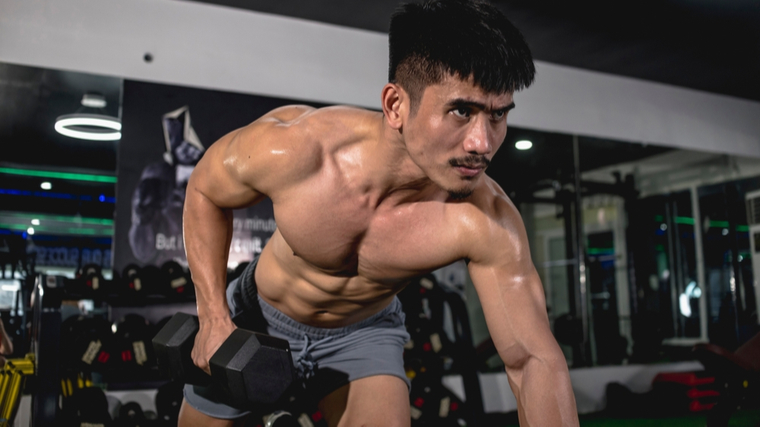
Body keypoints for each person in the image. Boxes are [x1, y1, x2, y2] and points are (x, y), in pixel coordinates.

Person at [181, 0, 579, 426]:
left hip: (364, 334)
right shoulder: (299, 152)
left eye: (498, 115)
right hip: (256, 316)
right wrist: (213, 317)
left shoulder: (485, 220)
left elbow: (533, 360)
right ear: (395, 105)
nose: (482, 142)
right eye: (461, 111)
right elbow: (204, 190)